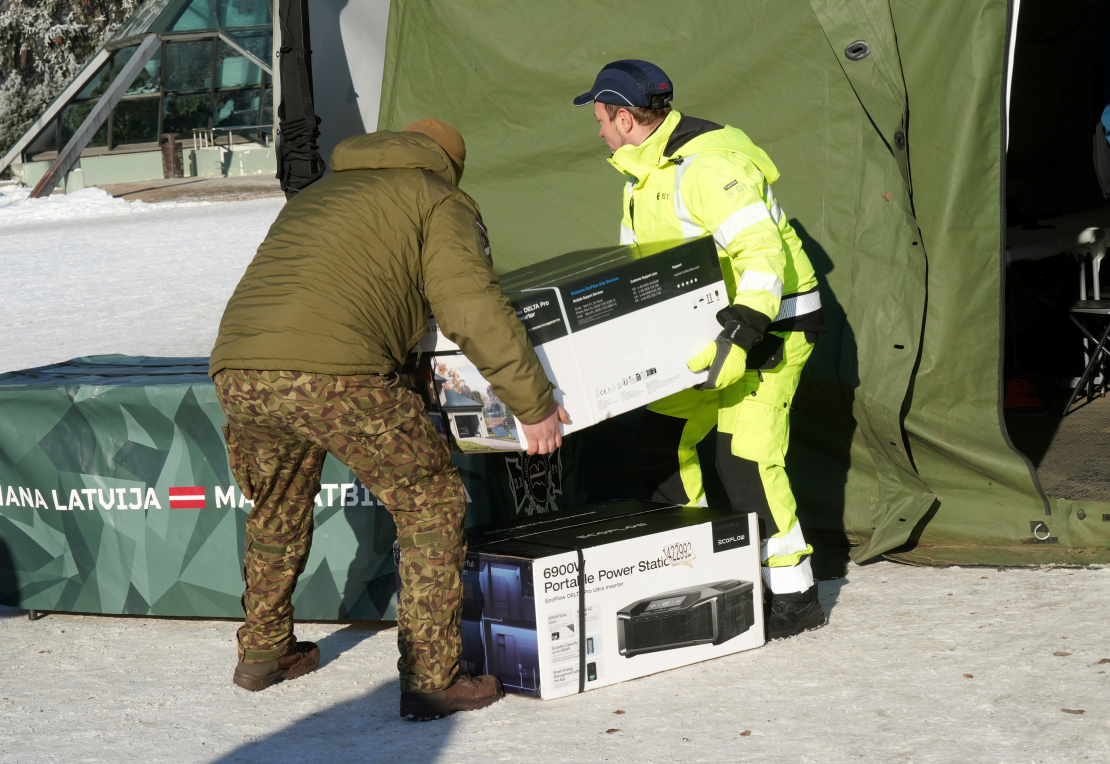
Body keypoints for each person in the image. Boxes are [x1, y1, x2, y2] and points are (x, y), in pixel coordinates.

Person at [209, 118, 569, 720]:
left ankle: (264, 651)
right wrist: (531, 403)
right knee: (430, 501)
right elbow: (469, 304)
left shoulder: (320, 192)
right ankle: (433, 679)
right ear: (447, 164)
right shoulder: (438, 198)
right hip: (335, 372)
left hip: (239, 367)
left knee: (277, 504)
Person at [574, 61, 827, 639]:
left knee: (744, 458)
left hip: (772, 329)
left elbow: (762, 254)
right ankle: (695, 574)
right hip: (701, 334)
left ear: (624, 116)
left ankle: (794, 596)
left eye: (600, 119)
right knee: (661, 445)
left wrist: (742, 333)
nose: (598, 132)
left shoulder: (707, 167)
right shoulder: (642, 174)